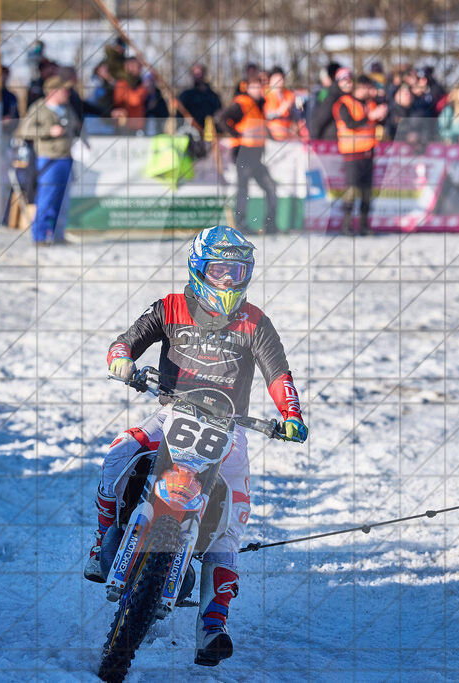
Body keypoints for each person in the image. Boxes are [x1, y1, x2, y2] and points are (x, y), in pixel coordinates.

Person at [86, 224, 308, 666]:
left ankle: (213, 624)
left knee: (234, 518)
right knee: (117, 456)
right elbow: (126, 340)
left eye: (236, 270)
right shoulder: (170, 306)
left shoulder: (255, 322)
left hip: (230, 428)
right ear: (199, 268)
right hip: (171, 411)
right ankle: (101, 542)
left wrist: (291, 414)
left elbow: (277, 374)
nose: (227, 279)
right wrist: (121, 360)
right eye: (219, 269)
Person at [15, 75, 80, 244]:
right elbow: (24, 131)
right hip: (48, 159)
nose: (68, 93)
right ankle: (40, 236)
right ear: (53, 91)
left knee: (63, 201)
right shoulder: (38, 108)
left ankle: (58, 235)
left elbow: (75, 127)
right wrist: (48, 131)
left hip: (66, 159)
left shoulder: (67, 108)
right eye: (64, 90)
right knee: (46, 198)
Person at [217, 77, 277, 235]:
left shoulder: (259, 105)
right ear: (247, 89)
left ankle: (270, 224)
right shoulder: (242, 103)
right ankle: (241, 224)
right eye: (255, 87)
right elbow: (222, 119)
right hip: (243, 153)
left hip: (255, 156)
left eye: (260, 87)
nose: (259, 90)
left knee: (270, 187)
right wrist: (237, 134)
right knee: (243, 189)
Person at [333, 75, 386, 236]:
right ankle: (347, 225)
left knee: (366, 192)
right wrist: (371, 116)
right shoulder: (344, 103)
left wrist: (382, 115)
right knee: (351, 190)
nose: (370, 91)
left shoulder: (370, 103)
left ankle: (364, 226)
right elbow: (350, 124)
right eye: (367, 87)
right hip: (352, 153)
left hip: (368, 153)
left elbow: (378, 123)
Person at [177, 63, 221, 130]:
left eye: (199, 73)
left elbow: (218, 115)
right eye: (195, 74)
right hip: (190, 133)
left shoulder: (213, 96)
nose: (198, 76)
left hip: (209, 134)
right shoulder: (185, 95)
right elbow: (179, 116)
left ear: (204, 74)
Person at [263, 67, 302, 141]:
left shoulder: (289, 95)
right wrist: (279, 111)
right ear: (270, 79)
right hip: (269, 136)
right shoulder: (264, 94)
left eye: (281, 78)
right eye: (277, 78)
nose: (279, 81)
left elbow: (296, 115)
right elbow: (264, 115)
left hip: (287, 135)